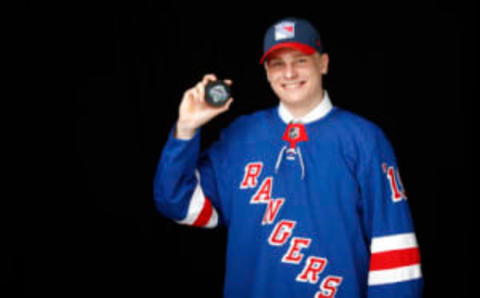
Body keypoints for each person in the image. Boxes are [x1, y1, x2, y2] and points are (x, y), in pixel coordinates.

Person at [154, 17, 423, 298]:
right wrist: (186, 129)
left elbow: (394, 246)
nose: (290, 73)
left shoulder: (364, 139)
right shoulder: (240, 136)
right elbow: (176, 202)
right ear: (268, 73)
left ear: (324, 63)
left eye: (301, 60)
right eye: (278, 64)